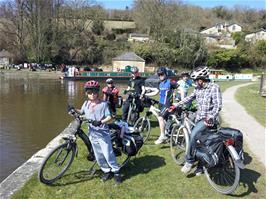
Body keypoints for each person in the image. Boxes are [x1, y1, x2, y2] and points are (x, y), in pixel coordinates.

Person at [169, 66, 222, 175]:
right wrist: (176, 105)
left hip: (209, 120)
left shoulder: (214, 87)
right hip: (199, 119)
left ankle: (189, 161)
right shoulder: (197, 89)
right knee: (200, 143)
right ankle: (200, 166)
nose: (195, 82)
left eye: (196, 80)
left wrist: (211, 116)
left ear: (202, 79)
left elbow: (218, 105)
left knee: (193, 135)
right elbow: (189, 98)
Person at [79, 80, 122, 184]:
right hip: (92, 134)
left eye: (94, 92)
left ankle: (116, 171)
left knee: (108, 154)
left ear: (97, 92)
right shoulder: (86, 103)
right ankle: (106, 170)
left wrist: (100, 122)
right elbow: (81, 112)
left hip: (103, 134)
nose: (92, 95)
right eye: (89, 93)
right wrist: (72, 110)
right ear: (86, 93)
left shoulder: (103, 104)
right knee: (98, 155)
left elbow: (109, 117)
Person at [154, 66, 178, 145]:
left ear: (165, 74)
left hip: (167, 104)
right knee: (164, 120)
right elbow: (156, 92)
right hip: (161, 104)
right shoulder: (160, 83)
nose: (160, 76)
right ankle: (167, 134)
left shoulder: (170, 81)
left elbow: (179, 87)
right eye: (159, 74)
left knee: (160, 117)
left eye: (162, 74)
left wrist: (178, 96)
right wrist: (146, 94)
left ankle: (162, 136)